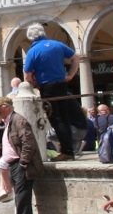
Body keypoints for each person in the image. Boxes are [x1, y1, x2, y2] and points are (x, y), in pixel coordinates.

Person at [22, 23, 80, 162]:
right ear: (43, 33)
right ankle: (68, 150)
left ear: (31, 37)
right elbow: (76, 57)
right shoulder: (57, 45)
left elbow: (27, 75)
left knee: (56, 119)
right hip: (62, 85)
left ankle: (67, 152)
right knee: (64, 117)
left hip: (47, 87)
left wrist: (34, 85)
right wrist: (70, 75)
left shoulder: (33, 51)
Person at [0, 96, 44, 214]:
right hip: (14, 164)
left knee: (21, 199)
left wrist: (23, 162)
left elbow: (28, 142)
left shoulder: (18, 120)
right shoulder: (9, 122)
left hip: (20, 164)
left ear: (7, 107)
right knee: (22, 199)